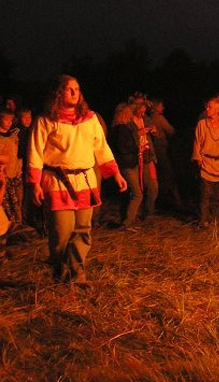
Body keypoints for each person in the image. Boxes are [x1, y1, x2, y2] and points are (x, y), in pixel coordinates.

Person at [28, 75, 127, 282]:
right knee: (62, 232)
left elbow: (101, 147)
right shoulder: (45, 120)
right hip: (57, 181)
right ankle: (60, 269)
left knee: (83, 229)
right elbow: (35, 153)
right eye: (69, 89)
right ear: (58, 93)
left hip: (85, 180)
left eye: (77, 89)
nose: (74, 93)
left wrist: (115, 173)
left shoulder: (89, 119)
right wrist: (34, 183)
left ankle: (77, 274)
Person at [193, 99, 219, 227]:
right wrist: (198, 159)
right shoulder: (202, 124)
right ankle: (203, 219)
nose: (207, 109)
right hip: (206, 163)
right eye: (207, 107)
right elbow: (197, 142)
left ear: (217, 110)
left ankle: (214, 218)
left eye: (209, 107)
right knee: (205, 194)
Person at [126, 99, 159, 225]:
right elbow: (126, 139)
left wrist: (154, 131)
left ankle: (149, 213)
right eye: (141, 111)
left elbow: (155, 133)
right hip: (135, 158)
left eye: (144, 111)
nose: (142, 113)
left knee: (153, 186)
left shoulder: (146, 119)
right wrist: (138, 133)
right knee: (137, 188)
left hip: (147, 156)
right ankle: (136, 215)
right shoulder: (129, 122)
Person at [110, 103, 142, 230]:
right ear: (125, 114)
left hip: (126, 163)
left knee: (127, 193)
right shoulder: (121, 129)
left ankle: (126, 220)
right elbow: (123, 148)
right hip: (127, 165)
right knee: (137, 194)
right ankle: (127, 223)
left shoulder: (117, 129)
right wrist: (136, 148)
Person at [149, 98, 182, 209]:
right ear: (155, 106)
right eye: (161, 106)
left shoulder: (148, 118)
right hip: (161, 149)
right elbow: (170, 130)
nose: (163, 108)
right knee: (168, 174)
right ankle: (175, 201)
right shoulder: (159, 118)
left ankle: (155, 201)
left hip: (152, 150)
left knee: (156, 175)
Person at [0, 108, 22, 228]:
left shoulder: (13, 136)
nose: (9, 123)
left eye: (11, 121)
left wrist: (19, 168)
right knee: (6, 206)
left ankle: (18, 228)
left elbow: (17, 154)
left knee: (17, 203)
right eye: (6, 120)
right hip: (4, 177)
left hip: (15, 175)